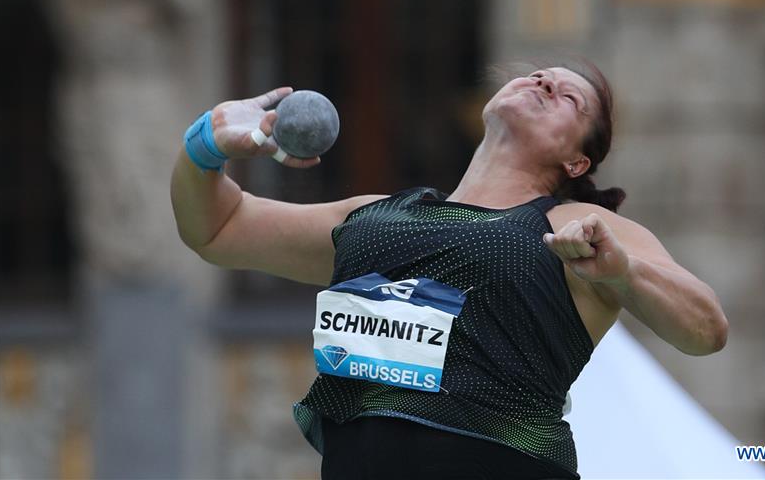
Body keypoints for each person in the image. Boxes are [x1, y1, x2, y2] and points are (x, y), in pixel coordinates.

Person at [171, 64, 729, 480]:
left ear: (576, 163)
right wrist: (205, 146)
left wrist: (623, 273)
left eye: (570, 99)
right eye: (538, 75)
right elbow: (218, 229)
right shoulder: (376, 217)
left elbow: (705, 329)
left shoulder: (574, 225)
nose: (544, 83)